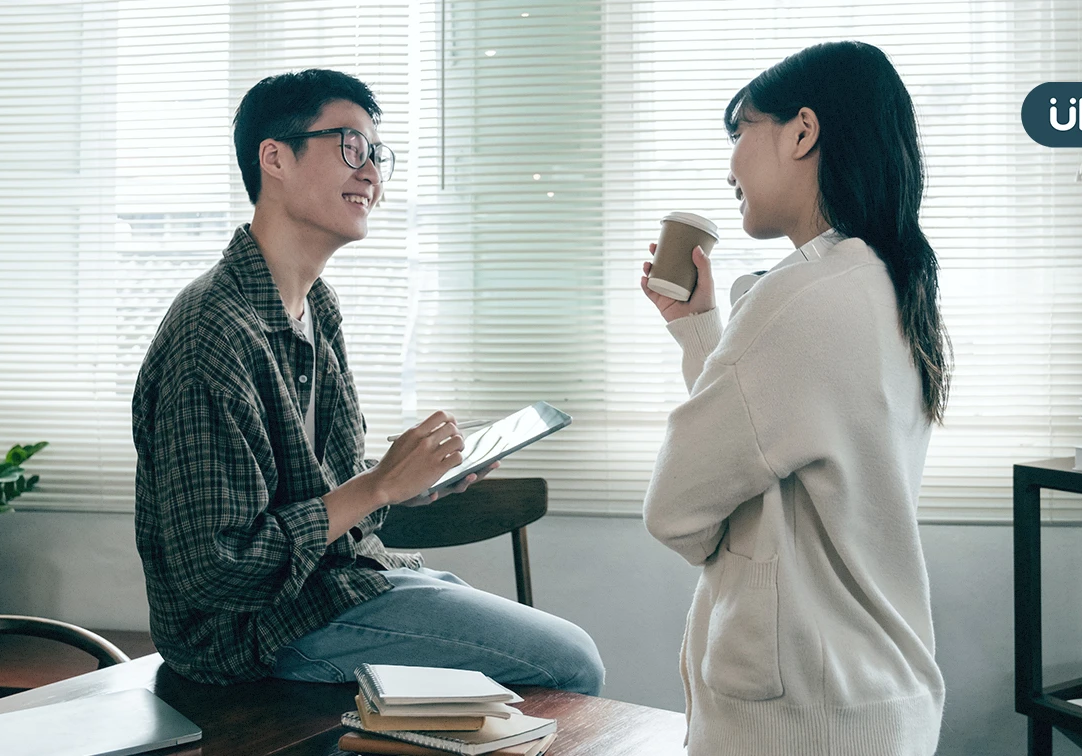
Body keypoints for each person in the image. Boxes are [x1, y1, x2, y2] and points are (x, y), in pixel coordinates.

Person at [132, 69, 603, 693]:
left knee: (546, 654)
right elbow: (217, 569)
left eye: (378, 155)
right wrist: (378, 484)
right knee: (572, 662)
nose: (371, 173)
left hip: (335, 583)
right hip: (251, 633)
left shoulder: (316, 307)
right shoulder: (212, 334)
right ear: (274, 158)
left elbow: (322, 496)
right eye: (350, 147)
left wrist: (405, 486)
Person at [639, 42, 951, 755]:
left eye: (740, 130)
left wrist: (725, 529)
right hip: (875, 699)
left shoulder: (796, 299)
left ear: (802, 131)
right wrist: (699, 329)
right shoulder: (885, 281)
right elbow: (776, 437)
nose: (729, 167)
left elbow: (675, 510)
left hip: (797, 716)